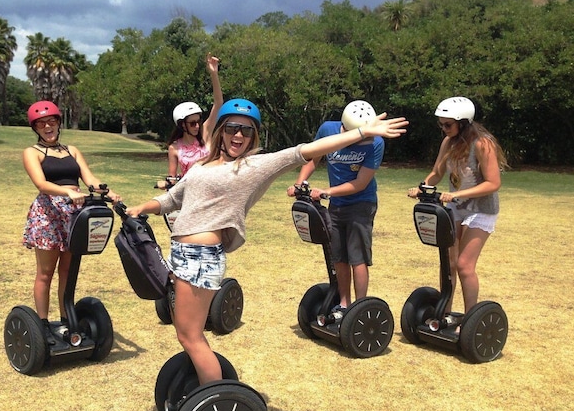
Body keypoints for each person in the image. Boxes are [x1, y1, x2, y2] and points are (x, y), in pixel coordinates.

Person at [126, 98, 407, 385]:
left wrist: (362, 132)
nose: (238, 136)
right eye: (233, 128)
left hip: (201, 257)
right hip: (183, 253)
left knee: (191, 336)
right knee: (187, 334)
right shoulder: (202, 165)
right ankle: (206, 392)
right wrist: (141, 207)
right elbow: (173, 198)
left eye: (246, 132)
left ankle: (217, 398)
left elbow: (303, 152)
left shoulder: (253, 166)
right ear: (221, 130)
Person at [21, 100, 121, 344]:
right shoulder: (32, 152)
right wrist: (68, 192)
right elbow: (41, 184)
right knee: (45, 273)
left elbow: (89, 179)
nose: (48, 126)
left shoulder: (72, 150)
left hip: (74, 214)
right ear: (35, 128)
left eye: (52, 121)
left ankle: (66, 319)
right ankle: (43, 324)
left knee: (68, 269)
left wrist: (107, 192)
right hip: (48, 214)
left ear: (59, 123)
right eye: (42, 123)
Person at [407, 96, 508, 319]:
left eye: (448, 125)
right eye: (441, 124)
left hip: (481, 210)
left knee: (464, 265)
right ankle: (445, 312)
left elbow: (493, 183)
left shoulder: (483, 143)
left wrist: (456, 194)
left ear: (464, 122)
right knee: (448, 263)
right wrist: (421, 188)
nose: (443, 129)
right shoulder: (448, 143)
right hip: (456, 208)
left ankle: (471, 319)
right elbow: (437, 173)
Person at [286, 100, 385, 319]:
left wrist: (328, 192)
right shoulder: (328, 130)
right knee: (338, 256)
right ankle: (343, 304)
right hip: (337, 205)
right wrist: (299, 182)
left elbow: (360, 183)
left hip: (362, 203)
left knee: (357, 258)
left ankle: (360, 309)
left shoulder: (375, 142)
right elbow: (313, 158)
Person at [166, 53, 224, 179]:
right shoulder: (174, 148)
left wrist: (214, 74)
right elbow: (171, 180)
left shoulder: (205, 134)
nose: (197, 126)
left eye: (198, 121)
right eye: (192, 123)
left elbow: (218, 103)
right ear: (182, 125)